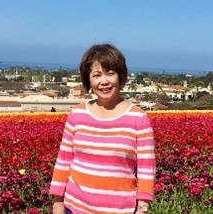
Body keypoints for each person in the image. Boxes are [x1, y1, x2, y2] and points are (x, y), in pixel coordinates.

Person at [49, 44, 156, 214]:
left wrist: (142, 209)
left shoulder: (138, 119)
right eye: (97, 75)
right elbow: (63, 160)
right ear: (89, 80)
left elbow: (146, 168)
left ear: (120, 77)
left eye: (110, 73)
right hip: (74, 207)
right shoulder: (77, 114)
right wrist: (57, 203)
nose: (104, 81)